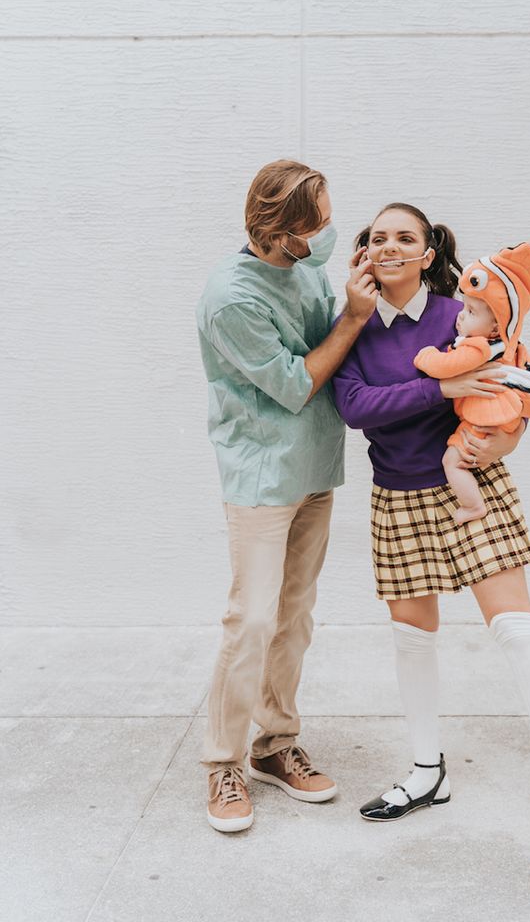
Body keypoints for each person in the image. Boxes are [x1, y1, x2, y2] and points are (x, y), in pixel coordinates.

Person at [331, 203, 530, 880]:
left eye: (405, 238)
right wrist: (441, 385)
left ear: (427, 253)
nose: (389, 245)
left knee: (516, 630)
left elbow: (515, 393)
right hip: (396, 496)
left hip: (469, 493)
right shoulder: (353, 326)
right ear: (363, 253)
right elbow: (356, 408)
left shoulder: (460, 313)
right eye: (377, 237)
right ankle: (428, 773)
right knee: (411, 637)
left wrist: (502, 434)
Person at [196, 159, 377, 833]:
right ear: (281, 229)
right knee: (250, 620)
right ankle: (223, 762)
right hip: (262, 479)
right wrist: (354, 319)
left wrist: (360, 295)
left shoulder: (304, 267)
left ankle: (275, 745)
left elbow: (324, 336)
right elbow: (297, 383)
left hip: (314, 468)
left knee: (294, 618)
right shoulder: (231, 298)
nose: (328, 231)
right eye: (318, 222)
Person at [413, 243, 530, 525]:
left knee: (451, 462)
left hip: (482, 423)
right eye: (464, 307)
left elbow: (444, 366)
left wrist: (425, 356)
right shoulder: (508, 348)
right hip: (501, 419)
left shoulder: (478, 349)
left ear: (494, 328)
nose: (461, 315)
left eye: (471, 312)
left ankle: (473, 505)